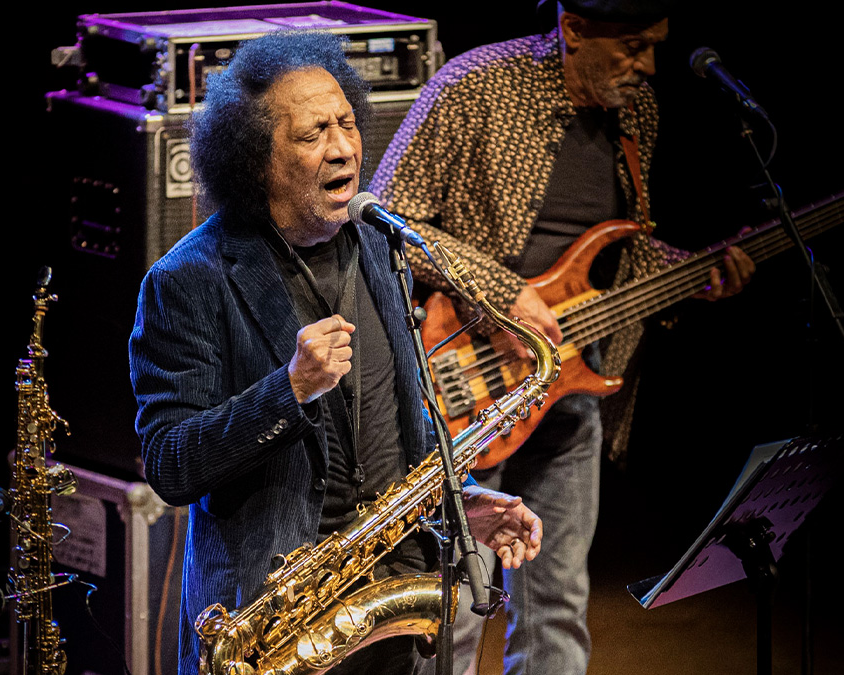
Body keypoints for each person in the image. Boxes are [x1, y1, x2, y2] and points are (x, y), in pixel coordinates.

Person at [128, 31, 545, 675]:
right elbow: (170, 464)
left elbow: (397, 430)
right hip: (276, 628)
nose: (343, 146)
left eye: (347, 122)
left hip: (394, 603)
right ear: (255, 159)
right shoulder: (189, 280)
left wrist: (460, 501)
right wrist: (287, 389)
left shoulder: (377, 245)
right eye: (312, 133)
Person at [370, 1, 756, 673]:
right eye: (633, 45)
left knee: (558, 607)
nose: (649, 65)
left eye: (656, 45)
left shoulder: (637, 113)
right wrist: (501, 291)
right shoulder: (477, 85)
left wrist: (695, 275)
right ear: (573, 29)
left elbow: (620, 262)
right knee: (453, 611)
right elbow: (383, 220)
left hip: (571, 385)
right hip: (464, 380)